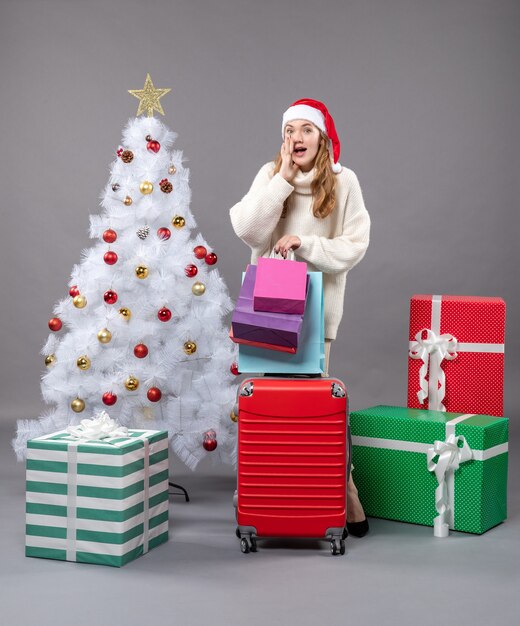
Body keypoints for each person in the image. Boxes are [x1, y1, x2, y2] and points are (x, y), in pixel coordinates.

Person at [229, 98, 371, 537]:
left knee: (313, 415)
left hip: (314, 319)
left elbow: (354, 245)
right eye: (290, 132)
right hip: (267, 314)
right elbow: (247, 230)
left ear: (323, 136)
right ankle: (263, 494)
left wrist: (304, 245)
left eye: (306, 130)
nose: (296, 139)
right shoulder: (271, 175)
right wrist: (282, 183)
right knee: (267, 410)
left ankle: (340, 495)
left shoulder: (345, 182)